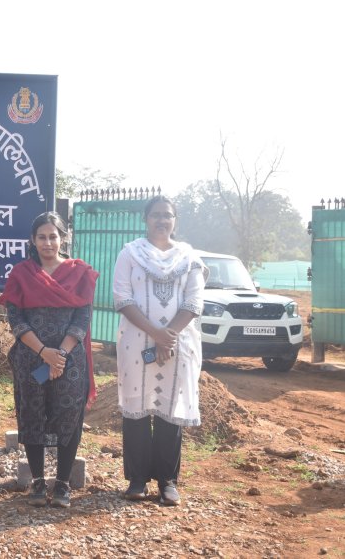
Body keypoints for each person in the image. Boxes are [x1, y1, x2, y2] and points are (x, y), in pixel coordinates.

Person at [0, 211, 99, 508]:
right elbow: (16, 320)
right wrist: (44, 352)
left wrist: (60, 356)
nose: (47, 243)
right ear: (32, 240)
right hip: (31, 359)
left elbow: (82, 319)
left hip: (70, 361)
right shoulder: (21, 274)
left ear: (62, 238)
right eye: (41, 237)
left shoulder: (80, 273)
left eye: (53, 236)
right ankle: (39, 483)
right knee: (33, 414)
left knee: (69, 416)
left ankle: (63, 484)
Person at [112, 195, 207, 506]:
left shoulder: (189, 257)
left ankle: (168, 481)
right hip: (136, 343)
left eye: (167, 215)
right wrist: (156, 334)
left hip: (178, 344)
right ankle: (137, 480)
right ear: (146, 219)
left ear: (175, 220)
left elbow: (194, 300)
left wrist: (169, 337)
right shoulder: (130, 254)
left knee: (170, 409)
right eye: (156, 215)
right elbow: (122, 298)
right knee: (136, 409)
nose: (162, 220)